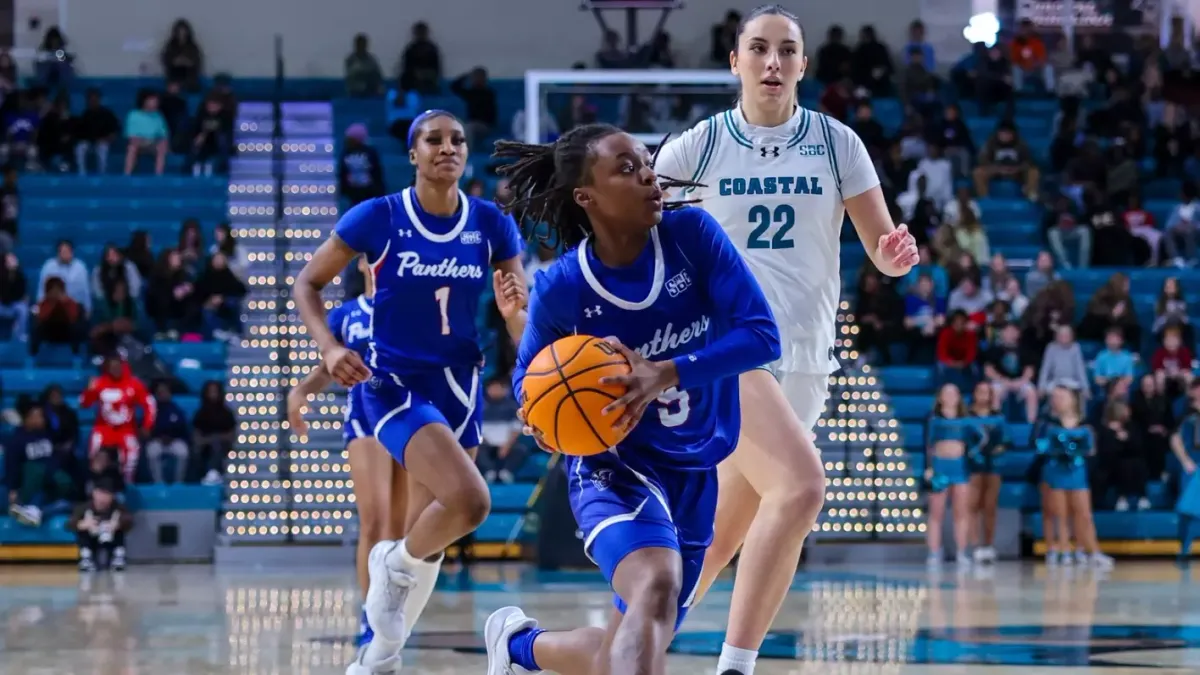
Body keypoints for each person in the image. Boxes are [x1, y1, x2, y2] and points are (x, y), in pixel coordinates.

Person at [649, 7, 918, 672]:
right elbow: (643, 250)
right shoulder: (696, 148)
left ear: (804, 64)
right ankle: (735, 666)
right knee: (801, 488)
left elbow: (880, 248)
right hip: (730, 353)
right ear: (734, 62)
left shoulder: (836, 144)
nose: (773, 62)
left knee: (710, 543)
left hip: (807, 360)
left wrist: (895, 256)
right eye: (760, 49)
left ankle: (565, 651)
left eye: (787, 51)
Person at [482, 122, 780, 675]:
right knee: (655, 582)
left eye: (647, 163)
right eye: (626, 168)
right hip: (613, 468)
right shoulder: (564, 287)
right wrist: (544, 419)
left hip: (695, 468)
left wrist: (663, 371)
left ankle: (520, 646)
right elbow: (530, 389)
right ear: (585, 197)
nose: (648, 176)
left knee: (625, 648)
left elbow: (762, 335)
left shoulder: (693, 236)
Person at [291, 110, 528, 674]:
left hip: (460, 389)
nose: (448, 148)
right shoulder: (378, 216)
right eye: (434, 140)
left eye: (457, 140)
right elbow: (307, 283)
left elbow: (523, 328)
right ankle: (382, 582)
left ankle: (378, 657)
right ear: (413, 154)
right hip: (393, 386)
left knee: (431, 542)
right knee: (471, 502)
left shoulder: (493, 224)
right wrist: (327, 346)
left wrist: (518, 318)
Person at [287, 255, 408, 660]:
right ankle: (369, 618)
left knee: (399, 529)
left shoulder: (410, 309)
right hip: (367, 417)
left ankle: (391, 611)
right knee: (374, 519)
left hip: (410, 416)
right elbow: (328, 365)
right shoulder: (348, 314)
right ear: (361, 265)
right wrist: (301, 391)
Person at [1035, 386, 1112, 568]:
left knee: (1083, 512)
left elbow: (1091, 449)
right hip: (1054, 470)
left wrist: (1076, 450)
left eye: (1062, 396)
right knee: (1059, 513)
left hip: (1077, 470)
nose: (1058, 400)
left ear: (1072, 399)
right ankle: (1062, 550)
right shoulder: (1047, 423)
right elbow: (1040, 446)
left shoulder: (1085, 423)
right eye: (1055, 397)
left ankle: (1089, 550)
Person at [922, 383, 976, 567]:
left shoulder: (966, 420)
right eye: (947, 393)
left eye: (954, 393)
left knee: (961, 513)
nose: (951, 396)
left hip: (960, 468)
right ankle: (934, 551)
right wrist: (928, 468)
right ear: (940, 397)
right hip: (940, 467)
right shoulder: (934, 419)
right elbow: (928, 446)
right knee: (936, 513)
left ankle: (962, 551)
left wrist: (972, 453)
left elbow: (980, 438)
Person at [79, 356, 156, 483]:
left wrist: (147, 425)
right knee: (94, 455)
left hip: (126, 429)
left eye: (118, 366)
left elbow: (150, 404)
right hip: (103, 428)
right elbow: (84, 404)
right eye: (112, 366)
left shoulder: (134, 384)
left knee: (131, 457)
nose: (115, 369)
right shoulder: (99, 383)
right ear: (107, 368)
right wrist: (89, 390)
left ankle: (127, 486)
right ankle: (93, 486)